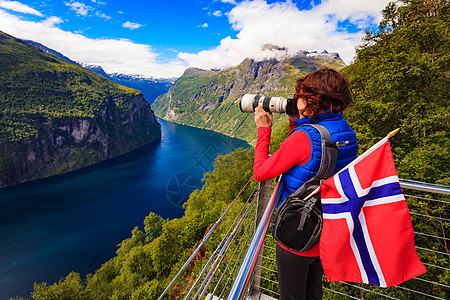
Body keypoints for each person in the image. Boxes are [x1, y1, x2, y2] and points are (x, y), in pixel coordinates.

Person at [253, 67, 358, 299]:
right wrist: (295, 123)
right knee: (313, 290)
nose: (295, 99)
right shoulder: (346, 132)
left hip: (298, 230)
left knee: (291, 295)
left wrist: (264, 130)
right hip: (325, 227)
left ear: (313, 99)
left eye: (300, 95)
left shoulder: (305, 137)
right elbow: (310, 160)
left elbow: (261, 172)